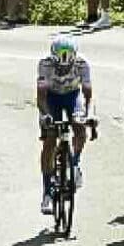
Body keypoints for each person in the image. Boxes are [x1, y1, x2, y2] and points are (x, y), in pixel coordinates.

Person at [36, 35, 94, 214]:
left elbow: (88, 96)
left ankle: (75, 163)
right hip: (51, 98)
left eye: (67, 66)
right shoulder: (45, 64)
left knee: (79, 125)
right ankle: (46, 191)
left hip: (72, 96)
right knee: (50, 138)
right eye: (59, 66)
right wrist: (46, 116)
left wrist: (89, 115)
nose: (63, 69)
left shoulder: (82, 64)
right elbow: (41, 97)